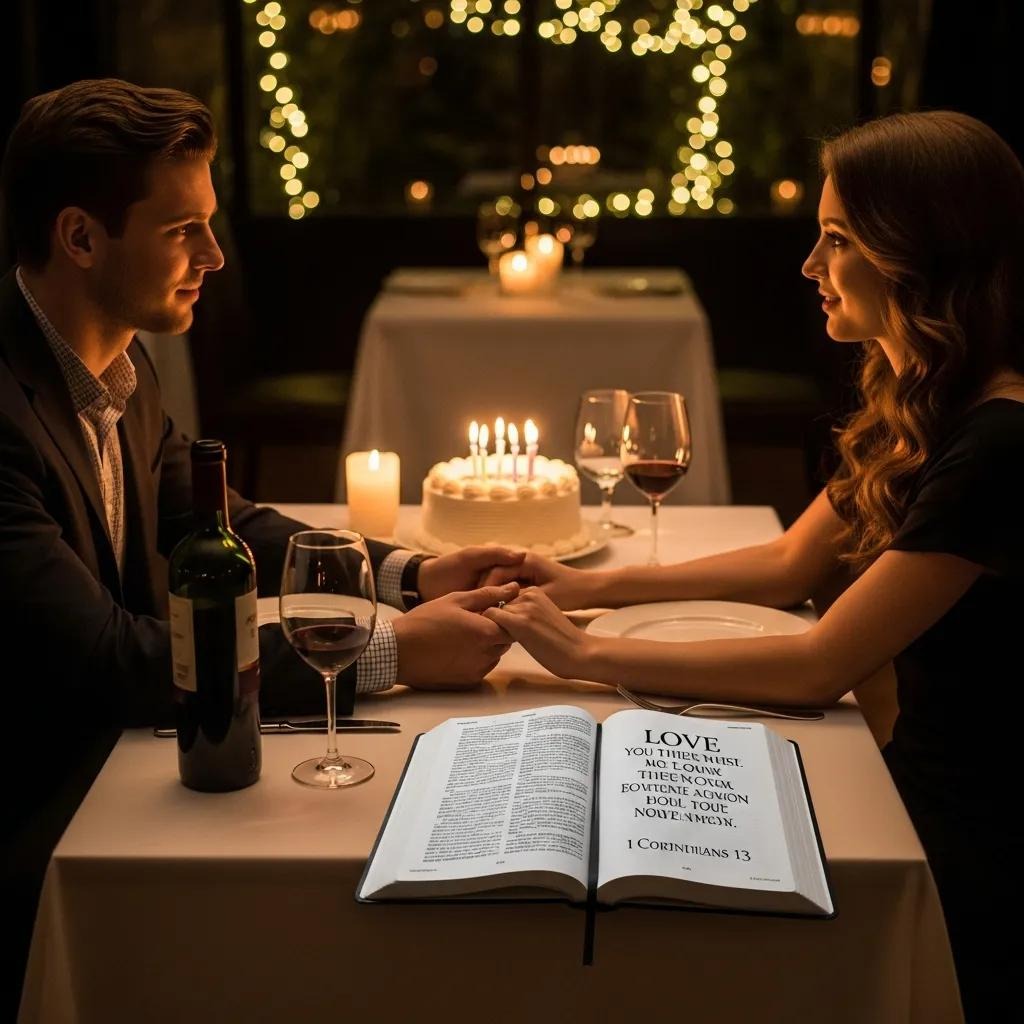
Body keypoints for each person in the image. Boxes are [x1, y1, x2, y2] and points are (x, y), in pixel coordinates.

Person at [484, 110, 1024, 1022]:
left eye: (837, 239)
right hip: (904, 770)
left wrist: (585, 657)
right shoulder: (931, 395)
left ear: (916, 254)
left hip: (963, 838)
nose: (810, 267)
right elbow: (787, 564)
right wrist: (585, 586)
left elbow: (822, 665)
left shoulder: (1001, 437)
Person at [0, 78, 520, 1016]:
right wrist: (388, 653)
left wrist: (409, 574)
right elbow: (103, 659)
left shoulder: (118, 360)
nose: (215, 255)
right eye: (181, 230)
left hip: (129, 765)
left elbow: (213, 516)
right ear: (81, 237)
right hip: (37, 822)